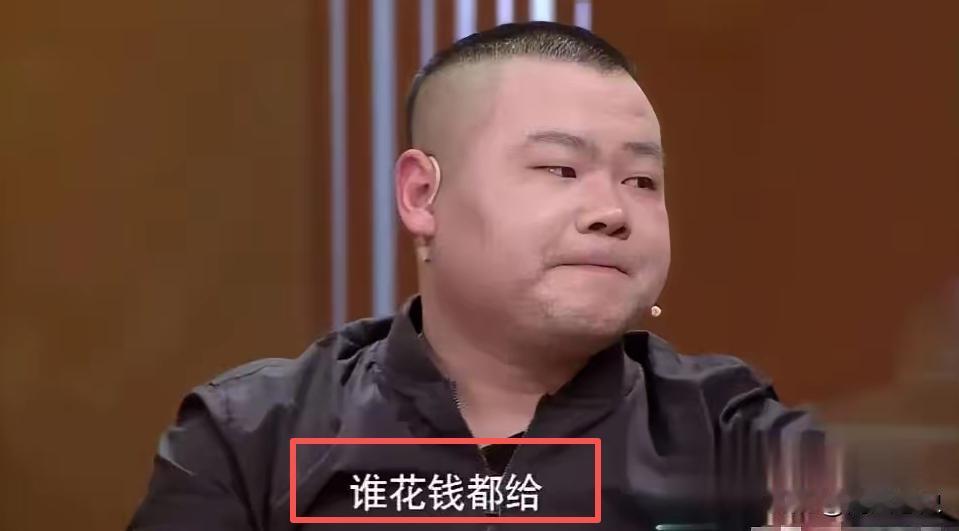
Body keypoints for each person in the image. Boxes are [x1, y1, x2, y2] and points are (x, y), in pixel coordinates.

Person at [130, 22, 940, 530]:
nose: (611, 211)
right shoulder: (254, 434)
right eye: (560, 169)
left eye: (642, 180)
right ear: (422, 195)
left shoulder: (724, 430)